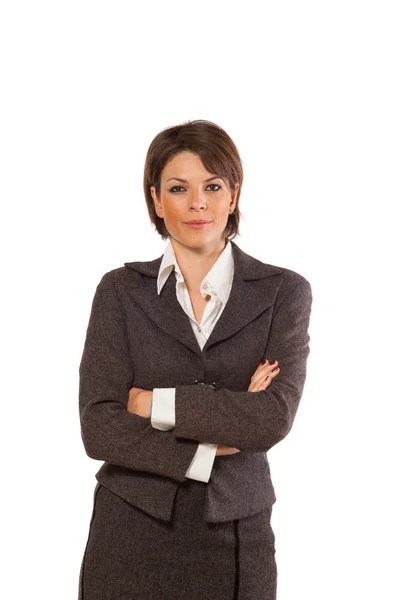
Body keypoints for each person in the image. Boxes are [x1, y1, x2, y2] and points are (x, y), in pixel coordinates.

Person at [77, 119, 313, 599]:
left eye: (212, 185)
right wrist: (210, 444)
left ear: (233, 193)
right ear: (156, 200)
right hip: (131, 529)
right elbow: (98, 426)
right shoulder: (120, 291)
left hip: (236, 535)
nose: (197, 203)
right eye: (178, 188)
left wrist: (150, 404)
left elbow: (271, 418)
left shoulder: (283, 292)